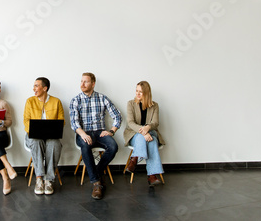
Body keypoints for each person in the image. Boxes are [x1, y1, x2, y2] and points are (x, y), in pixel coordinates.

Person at [70, 72, 122, 200]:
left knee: (113, 146)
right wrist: (83, 134)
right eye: (81, 81)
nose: (82, 84)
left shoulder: (102, 98)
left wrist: (111, 131)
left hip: (100, 132)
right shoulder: (75, 100)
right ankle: (96, 183)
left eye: (85, 81)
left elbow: (117, 116)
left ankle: (97, 172)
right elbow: (74, 123)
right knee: (85, 145)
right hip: (84, 132)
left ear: (93, 84)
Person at [23, 77, 65, 195]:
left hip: (51, 136)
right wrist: (32, 130)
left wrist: (52, 130)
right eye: (34, 86)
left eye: (37, 86)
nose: (34, 88)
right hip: (34, 136)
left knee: (55, 143)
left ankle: (49, 180)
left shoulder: (56, 101)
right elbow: (26, 121)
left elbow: (62, 121)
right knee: (36, 142)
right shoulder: (30, 101)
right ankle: (39, 178)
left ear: (45, 88)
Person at [123, 81, 165, 186]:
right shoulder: (131, 103)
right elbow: (130, 123)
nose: (137, 94)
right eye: (136, 91)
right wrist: (143, 132)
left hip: (151, 131)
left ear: (146, 93)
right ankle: (152, 176)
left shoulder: (155, 105)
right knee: (152, 141)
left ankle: (134, 159)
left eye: (140, 92)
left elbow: (155, 123)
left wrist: (148, 128)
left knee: (151, 136)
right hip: (134, 133)